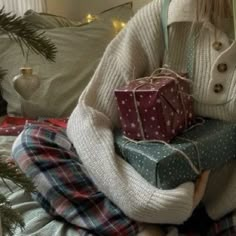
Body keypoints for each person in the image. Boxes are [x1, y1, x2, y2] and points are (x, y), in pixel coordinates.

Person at [11, 0, 236, 235]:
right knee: (31, 140)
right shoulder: (163, 17)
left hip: (218, 209)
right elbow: (89, 114)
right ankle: (143, 228)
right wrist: (144, 201)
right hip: (133, 184)